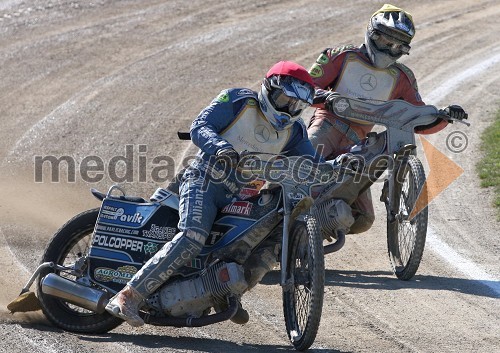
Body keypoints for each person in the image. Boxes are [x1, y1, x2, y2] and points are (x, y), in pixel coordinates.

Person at [105, 61, 319, 327]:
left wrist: (342, 164)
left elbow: (311, 162)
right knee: (193, 236)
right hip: (205, 179)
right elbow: (200, 125)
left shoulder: (295, 131)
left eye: (296, 105)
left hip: (243, 196)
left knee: (263, 238)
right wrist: (221, 148)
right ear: (268, 88)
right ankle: (129, 296)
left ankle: (225, 292)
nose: (288, 109)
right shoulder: (238, 100)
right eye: (284, 99)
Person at [306, 4, 467, 234]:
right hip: (327, 125)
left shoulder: (402, 76)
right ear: (372, 33)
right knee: (299, 169)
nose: (390, 50)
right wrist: (326, 98)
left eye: (398, 46)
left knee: (364, 220)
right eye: (385, 42)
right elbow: (304, 87)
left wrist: (444, 116)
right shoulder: (340, 56)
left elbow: (416, 116)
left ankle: (308, 238)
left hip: (360, 144)